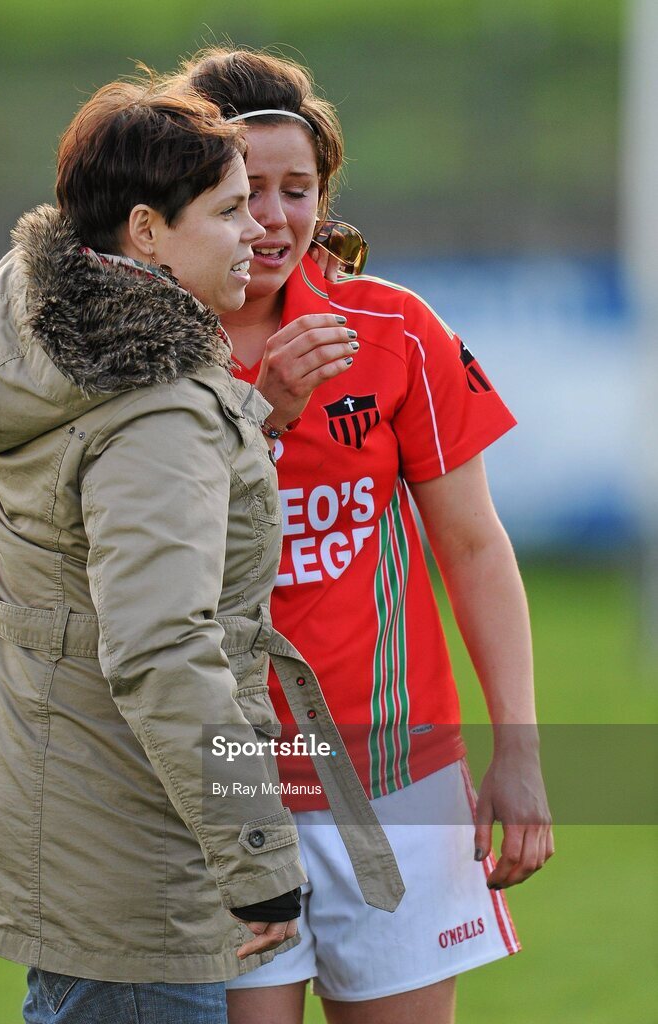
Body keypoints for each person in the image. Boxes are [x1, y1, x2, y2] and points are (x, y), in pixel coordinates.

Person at [175, 48, 555, 1024]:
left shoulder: (393, 333)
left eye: (295, 189)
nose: (270, 218)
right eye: (241, 189)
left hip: (395, 779)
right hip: (216, 780)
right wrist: (261, 406)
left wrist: (516, 749)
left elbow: (471, 546)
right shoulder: (148, 349)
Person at [0, 80, 314, 1024]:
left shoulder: (44, 333)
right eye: (228, 211)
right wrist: (257, 856)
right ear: (144, 231)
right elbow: (161, 649)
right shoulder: (154, 407)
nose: (259, 232)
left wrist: (251, 418)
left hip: (57, 813)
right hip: (123, 849)